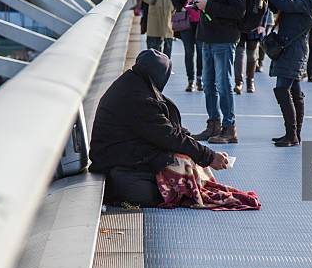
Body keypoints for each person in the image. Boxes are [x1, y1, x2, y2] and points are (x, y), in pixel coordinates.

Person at [88, 50, 229, 207]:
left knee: (178, 162)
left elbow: (166, 131)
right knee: (170, 187)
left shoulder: (133, 83)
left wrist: (199, 151)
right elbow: (168, 136)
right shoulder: (140, 98)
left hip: (115, 156)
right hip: (115, 165)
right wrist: (208, 156)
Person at [259, 0, 312, 147]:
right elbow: (281, 8)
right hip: (291, 50)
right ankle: (294, 134)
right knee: (295, 93)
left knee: (282, 90)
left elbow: (284, 4)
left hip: (293, 51)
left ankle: (292, 135)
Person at [191, 0, 246, 144]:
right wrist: (199, 4)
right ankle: (213, 124)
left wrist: (208, 5)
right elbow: (213, 5)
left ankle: (229, 127)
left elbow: (238, 11)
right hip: (207, 37)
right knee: (207, 84)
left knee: (223, 84)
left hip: (224, 39)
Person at [171, 0, 209, 92]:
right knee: (189, 51)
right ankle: (190, 80)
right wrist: (181, 5)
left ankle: (199, 79)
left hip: (202, 20)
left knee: (201, 50)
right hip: (187, 19)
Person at [234, 0, 270, 94]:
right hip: (240, 23)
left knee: (251, 54)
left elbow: (266, 7)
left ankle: (250, 82)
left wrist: (263, 24)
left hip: (255, 24)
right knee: (239, 53)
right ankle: (238, 82)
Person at [256, 0, 279, 72]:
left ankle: (260, 61)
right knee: (257, 37)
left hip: (269, 12)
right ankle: (255, 60)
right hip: (258, 10)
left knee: (264, 38)